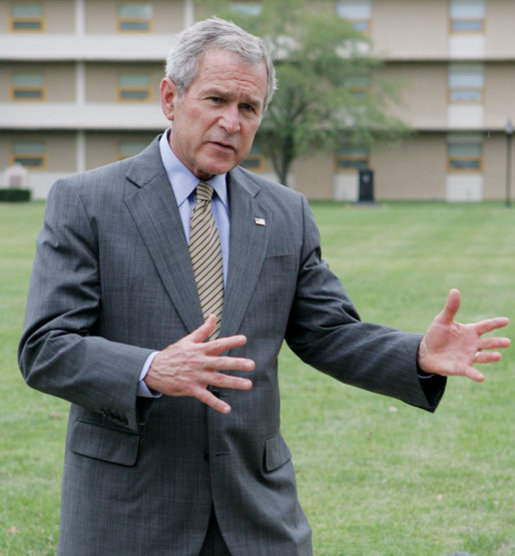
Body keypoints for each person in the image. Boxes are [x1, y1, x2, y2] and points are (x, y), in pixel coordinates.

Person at [18, 16, 509, 556]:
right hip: (130, 516)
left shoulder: (284, 213)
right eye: (216, 99)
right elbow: (46, 347)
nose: (232, 122)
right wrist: (150, 370)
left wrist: (416, 353)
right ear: (169, 98)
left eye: (248, 108)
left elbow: (328, 333)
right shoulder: (87, 202)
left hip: (256, 517)